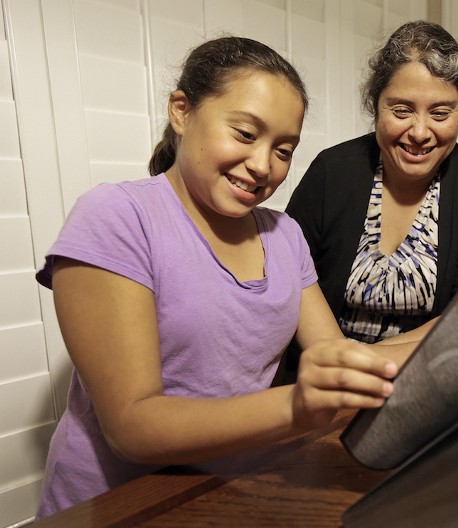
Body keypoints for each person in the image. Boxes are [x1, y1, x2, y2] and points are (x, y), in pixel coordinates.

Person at [34, 36, 415, 518]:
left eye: (283, 149)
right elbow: (133, 426)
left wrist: (442, 339)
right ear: (182, 110)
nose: (262, 165)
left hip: (232, 492)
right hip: (118, 505)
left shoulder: (284, 234)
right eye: (244, 133)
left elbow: (330, 353)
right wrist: (296, 406)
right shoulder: (117, 217)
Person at [285, 21, 458, 346]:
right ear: (376, 105)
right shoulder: (331, 171)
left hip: (425, 371)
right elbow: (289, 282)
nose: (419, 131)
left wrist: (370, 361)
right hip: (325, 368)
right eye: (401, 110)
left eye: (440, 114)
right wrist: (338, 364)